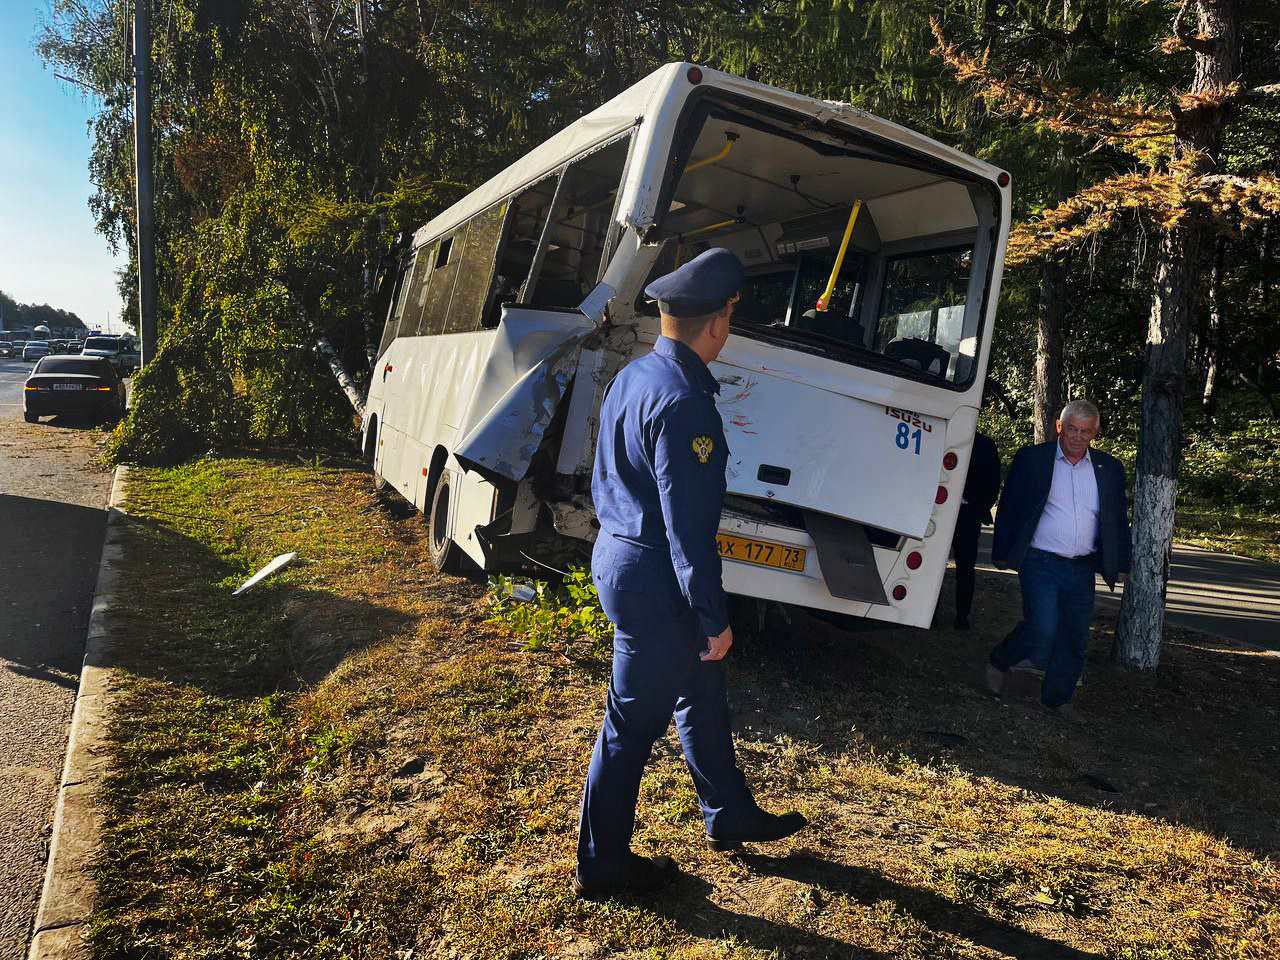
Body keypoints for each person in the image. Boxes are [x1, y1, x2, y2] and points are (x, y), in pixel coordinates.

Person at [576, 248, 806, 900]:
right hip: (657, 582)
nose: (729, 326)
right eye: (731, 314)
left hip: (622, 555)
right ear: (716, 323)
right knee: (629, 727)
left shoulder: (635, 376)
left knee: (701, 690)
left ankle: (727, 812)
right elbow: (689, 533)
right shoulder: (687, 405)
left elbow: (606, 476)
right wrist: (714, 618)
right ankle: (603, 865)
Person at [984, 400, 1129, 717]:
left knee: (1075, 635)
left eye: (1086, 432)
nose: (1078, 437)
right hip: (1040, 561)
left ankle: (1057, 698)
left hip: (1081, 566)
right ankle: (1001, 660)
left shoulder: (1108, 469)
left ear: (1095, 433)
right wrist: (1002, 552)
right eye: (1072, 429)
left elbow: (1116, 518)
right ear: (1059, 427)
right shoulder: (1033, 460)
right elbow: (1009, 508)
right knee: (1042, 629)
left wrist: (1121, 564)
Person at [952, 430, 1001, 629]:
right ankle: (931, 613)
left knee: (965, 567)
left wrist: (979, 506)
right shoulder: (940, 434)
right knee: (932, 563)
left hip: (967, 513)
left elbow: (992, 482)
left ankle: (962, 616)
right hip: (936, 511)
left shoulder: (984, 445)